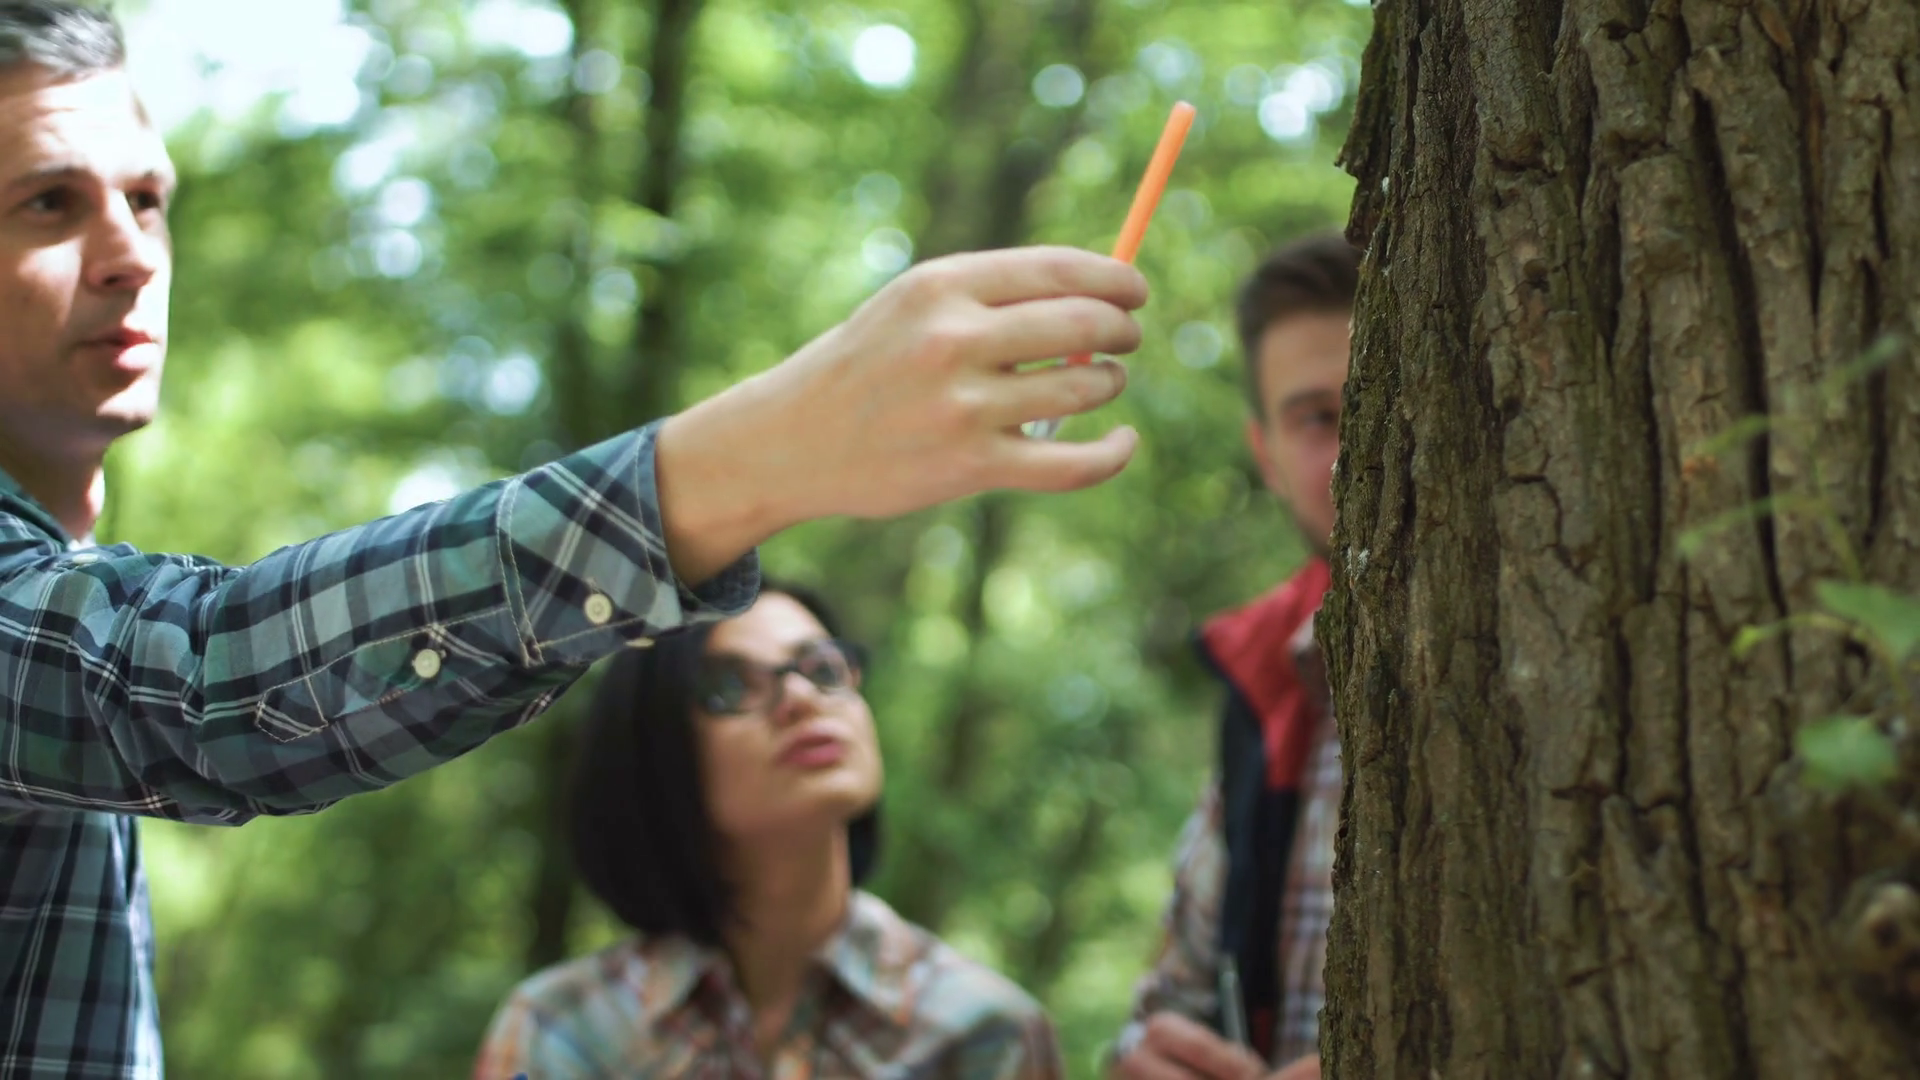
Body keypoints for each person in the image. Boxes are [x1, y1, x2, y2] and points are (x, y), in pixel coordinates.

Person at [0, 2, 1151, 1074]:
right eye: (49, 202)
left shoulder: (987, 1028)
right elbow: (194, 682)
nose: (131, 251)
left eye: (147, 199)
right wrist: (761, 454)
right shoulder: (568, 1030)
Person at [473, 583, 1061, 1079]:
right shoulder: (563, 1032)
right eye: (732, 686)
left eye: (824, 669)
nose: (802, 698)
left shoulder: (987, 1033)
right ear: (657, 752)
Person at [1111, 232, 1357, 1080]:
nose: (1360, 445)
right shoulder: (1268, 690)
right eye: (1318, 417)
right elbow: (1172, 1000)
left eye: (1387, 394)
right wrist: (1151, 1057)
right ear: (1267, 456)